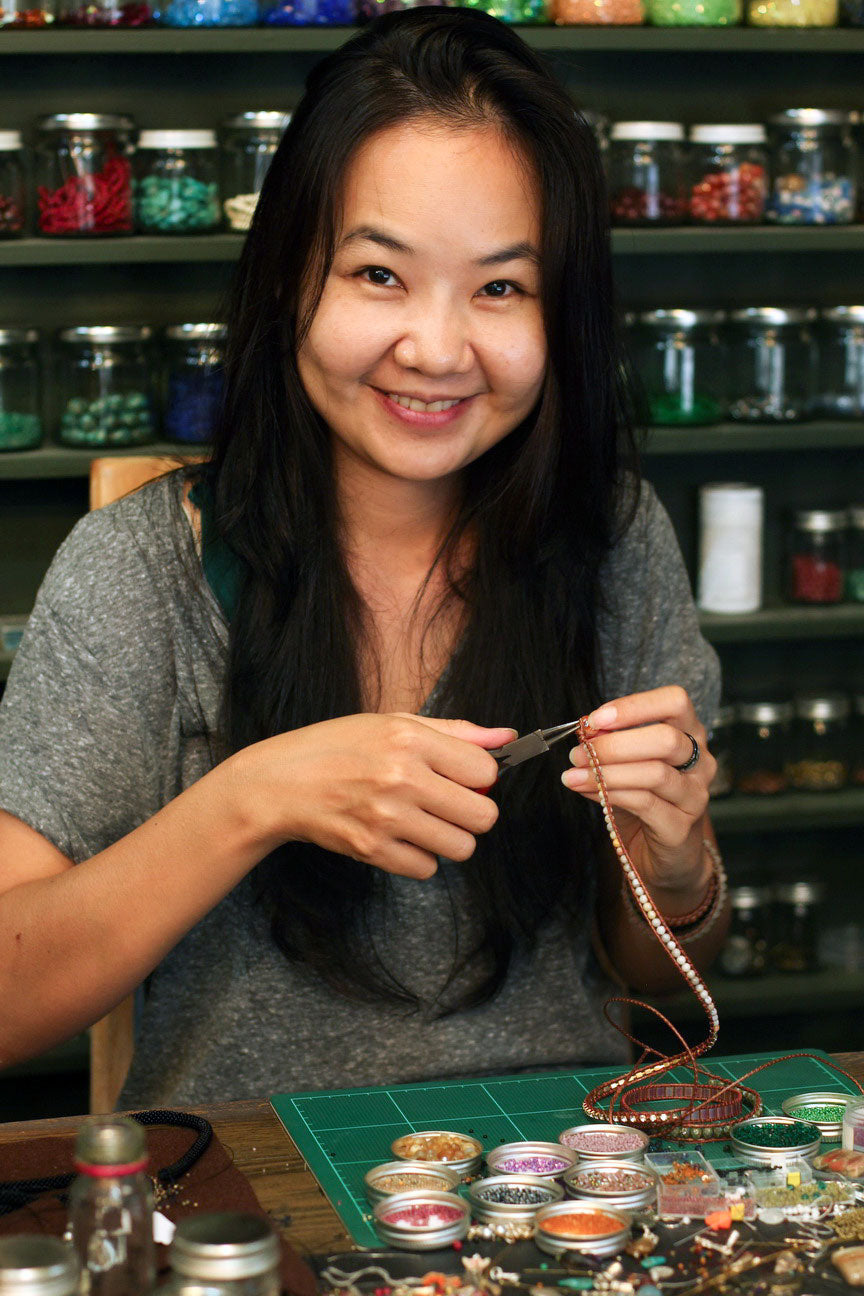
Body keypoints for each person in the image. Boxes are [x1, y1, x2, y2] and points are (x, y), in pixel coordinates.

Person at [0, 7, 727, 1108]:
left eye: (500, 288)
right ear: (293, 277)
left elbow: (663, 978)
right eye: (379, 275)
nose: (435, 350)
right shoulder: (140, 575)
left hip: (564, 1191)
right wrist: (247, 800)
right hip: (240, 1206)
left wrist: (675, 870)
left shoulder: (614, 540)